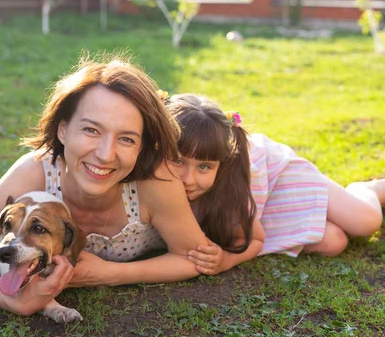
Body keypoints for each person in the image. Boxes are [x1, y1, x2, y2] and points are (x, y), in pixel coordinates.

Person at [0, 57, 209, 317]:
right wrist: (14, 302)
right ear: (62, 130)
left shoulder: (156, 182)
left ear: (142, 147)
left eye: (127, 139)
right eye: (91, 130)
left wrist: (112, 273)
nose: (106, 155)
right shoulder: (33, 173)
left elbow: (193, 258)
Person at [165, 93, 385, 276]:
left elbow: (256, 239)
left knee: (366, 222)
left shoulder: (230, 189)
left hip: (281, 179)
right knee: (333, 242)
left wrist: (226, 261)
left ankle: (367, 189)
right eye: (178, 161)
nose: (188, 179)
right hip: (263, 205)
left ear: (220, 166)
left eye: (203, 167)